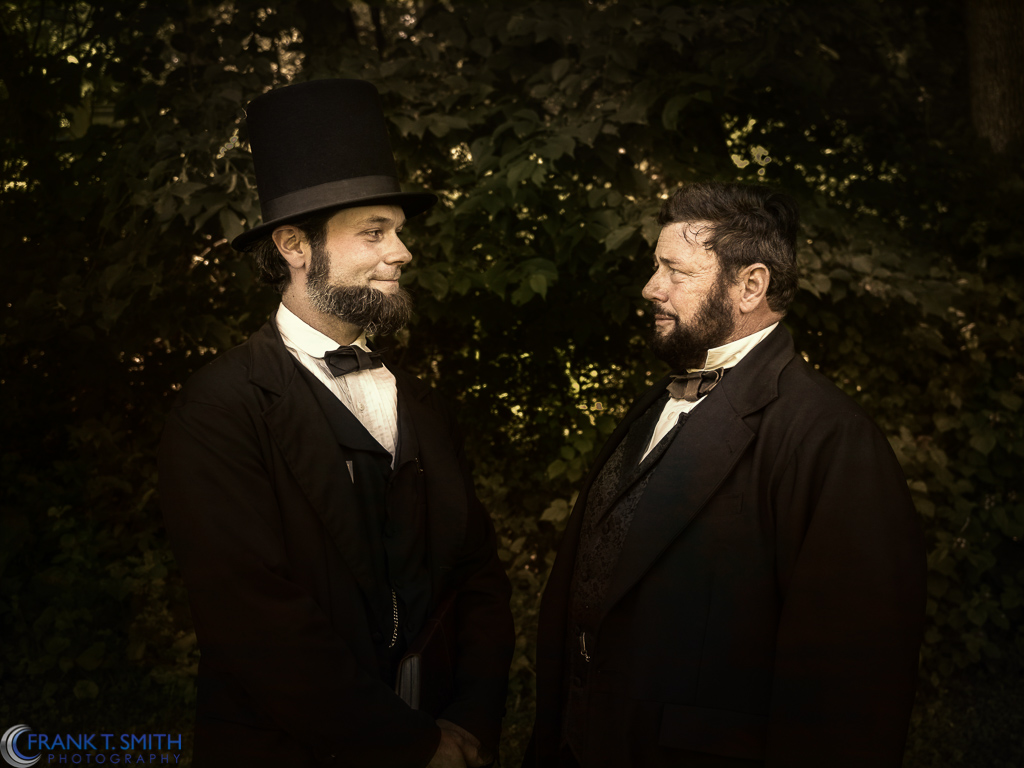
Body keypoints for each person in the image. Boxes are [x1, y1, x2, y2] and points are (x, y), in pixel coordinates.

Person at [159, 79, 514, 768]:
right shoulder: (220, 408)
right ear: (296, 245)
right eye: (374, 233)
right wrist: (409, 744)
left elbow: (478, 580)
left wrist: (469, 723)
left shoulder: (424, 406)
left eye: (399, 232)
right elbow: (253, 617)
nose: (401, 252)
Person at [525, 182, 926, 768]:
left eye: (676, 271)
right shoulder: (655, 401)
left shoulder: (832, 438)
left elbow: (851, 686)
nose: (651, 287)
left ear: (750, 286)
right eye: (656, 267)